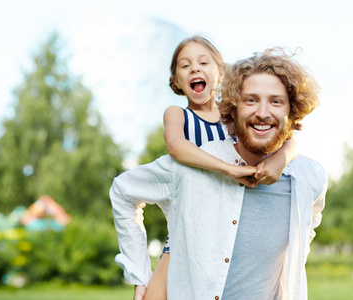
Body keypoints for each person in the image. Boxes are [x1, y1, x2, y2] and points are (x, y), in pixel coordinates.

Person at [111, 48, 327, 300]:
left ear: (292, 111)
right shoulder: (190, 168)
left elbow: (307, 227)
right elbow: (123, 191)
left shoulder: (309, 178)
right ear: (233, 109)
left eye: (276, 101)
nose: (263, 112)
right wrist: (139, 275)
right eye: (251, 100)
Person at [144, 36, 298, 300]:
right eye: (185, 65)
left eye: (204, 62)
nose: (195, 68)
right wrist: (228, 169)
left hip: (226, 226)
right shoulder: (178, 115)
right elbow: (176, 147)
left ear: (222, 73)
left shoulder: (235, 118)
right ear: (175, 80)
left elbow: (287, 137)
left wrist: (282, 157)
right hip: (187, 232)